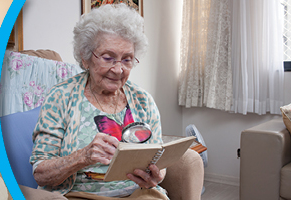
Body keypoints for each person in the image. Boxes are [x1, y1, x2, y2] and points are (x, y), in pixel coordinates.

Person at [29, 4, 200, 199]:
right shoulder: (60, 97)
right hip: (81, 194)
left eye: (127, 59)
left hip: (138, 193)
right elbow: (41, 173)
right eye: (108, 58)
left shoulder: (143, 100)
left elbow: (158, 160)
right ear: (85, 58)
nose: (118, 69)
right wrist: (83, 156)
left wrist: (157, 175)